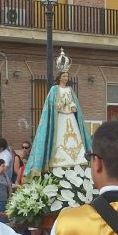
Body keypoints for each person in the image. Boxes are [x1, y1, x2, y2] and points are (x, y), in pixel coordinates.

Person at [24, 48, 92, 178]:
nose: (66, 78)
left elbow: (74, 103)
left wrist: (72, 106)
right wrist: (60, 105)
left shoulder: (70, 89)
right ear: (59, 77)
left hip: (70, 117)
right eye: (64, 76)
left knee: (75, 139)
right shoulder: (54, 90)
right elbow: (51, 106)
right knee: (59, 139)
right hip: (59, 118)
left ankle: (77, 159)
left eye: (67, 76)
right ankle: (57, 158)